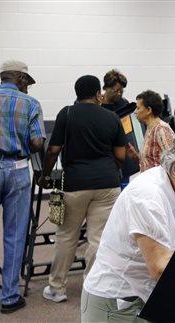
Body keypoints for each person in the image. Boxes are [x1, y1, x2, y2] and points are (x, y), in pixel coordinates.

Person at [81, 131, 175, 322]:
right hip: (116, 304)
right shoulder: (148, 196)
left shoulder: (172, 187)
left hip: (138, 296)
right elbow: (160, 268)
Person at [37, 75, 127, 303]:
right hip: (107, 184)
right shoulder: (112, 117)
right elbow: (120, 155)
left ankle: (57, 288)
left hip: (75, 183)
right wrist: (106, 169)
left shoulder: (66, 114)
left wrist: (46, 177)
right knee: (99, 238)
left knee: (66, 235)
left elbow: (53, 150)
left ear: (77, 93)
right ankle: (92, 288)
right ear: (98, 93)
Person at [0, 60, 45, 314]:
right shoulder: (30, 104)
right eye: (26, 81)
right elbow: (37, 142)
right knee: (15, 235)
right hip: (17, 172)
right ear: (19, 78)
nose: (27, 87)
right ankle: (9, 297)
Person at [126, 90, 175, 172]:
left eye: (138, 108)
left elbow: (172, 162)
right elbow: (152, 161)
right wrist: (136, 157)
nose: (135, 112)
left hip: (159, 183)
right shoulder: (150, 129)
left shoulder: (161, 129)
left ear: (148, 110)